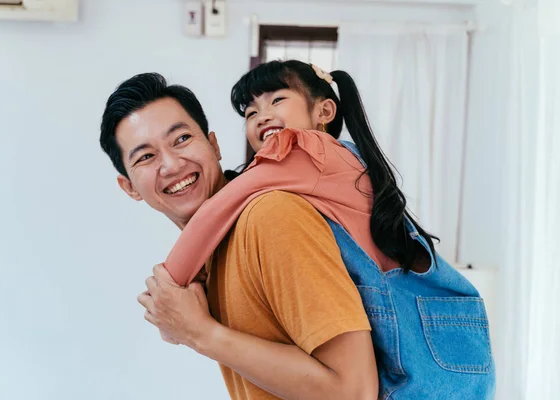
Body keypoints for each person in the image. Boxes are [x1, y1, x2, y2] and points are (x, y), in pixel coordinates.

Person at [132, 59, 496, 399]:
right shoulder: (325, 165)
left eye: (277, 100)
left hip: (416, 337)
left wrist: (169, 292)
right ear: (127, 185)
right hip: (432, 337)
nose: (263, 116)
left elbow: (217, 209)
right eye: (251, 112)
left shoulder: (303, 153)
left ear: (324, 111)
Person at [99, 72, 379, 400]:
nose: (172, 164)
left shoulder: (270, 216)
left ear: (214, 145)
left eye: (182, 139)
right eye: (146, 157)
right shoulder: (212, 255)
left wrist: (200, 333)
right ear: (129, 187)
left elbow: (354, 392)